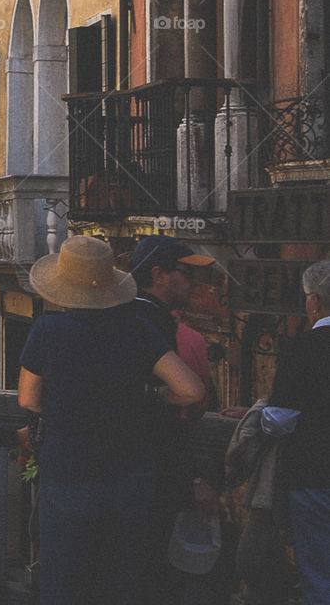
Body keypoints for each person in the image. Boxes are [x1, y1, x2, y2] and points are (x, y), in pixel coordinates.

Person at [18, 234, 204, 605]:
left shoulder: (48, 331)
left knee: (63, 582)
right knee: (123, 581)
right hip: (130, 475)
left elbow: (28, 399)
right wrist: (153, 395)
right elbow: (191, 390)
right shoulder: (138, 330)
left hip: (68, 471)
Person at [129, 235, 219, 604]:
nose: (194, 282)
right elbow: (174, 409)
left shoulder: (138, 315)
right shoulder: (151, 321)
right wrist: (192, 478)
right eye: (184, 273)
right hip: (151, 473)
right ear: (158, 275)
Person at [261, 258, 330, 605]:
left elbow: (280, 420)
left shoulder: (301, 348)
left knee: (319, 574)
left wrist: (259, 416)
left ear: (315, 301)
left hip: (313, 474)